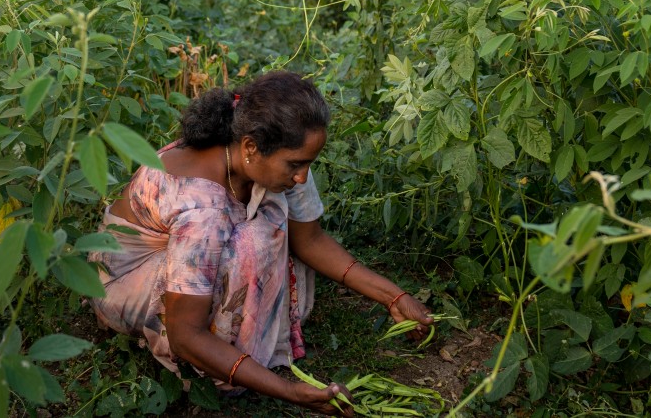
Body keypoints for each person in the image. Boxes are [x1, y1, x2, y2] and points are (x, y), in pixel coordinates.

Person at [89, 71, 433, 416]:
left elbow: (308, 239)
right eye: (295, 166)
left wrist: (394, 296)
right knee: (253, 244)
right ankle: (223, 364)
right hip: (125, 281)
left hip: (188, 254)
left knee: (263, 231)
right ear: (251, 147)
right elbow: (185, 334)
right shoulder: (201, 207)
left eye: (307, 164)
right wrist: (291, 392)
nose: (301, 176)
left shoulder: (268, 152)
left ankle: (247, 331)